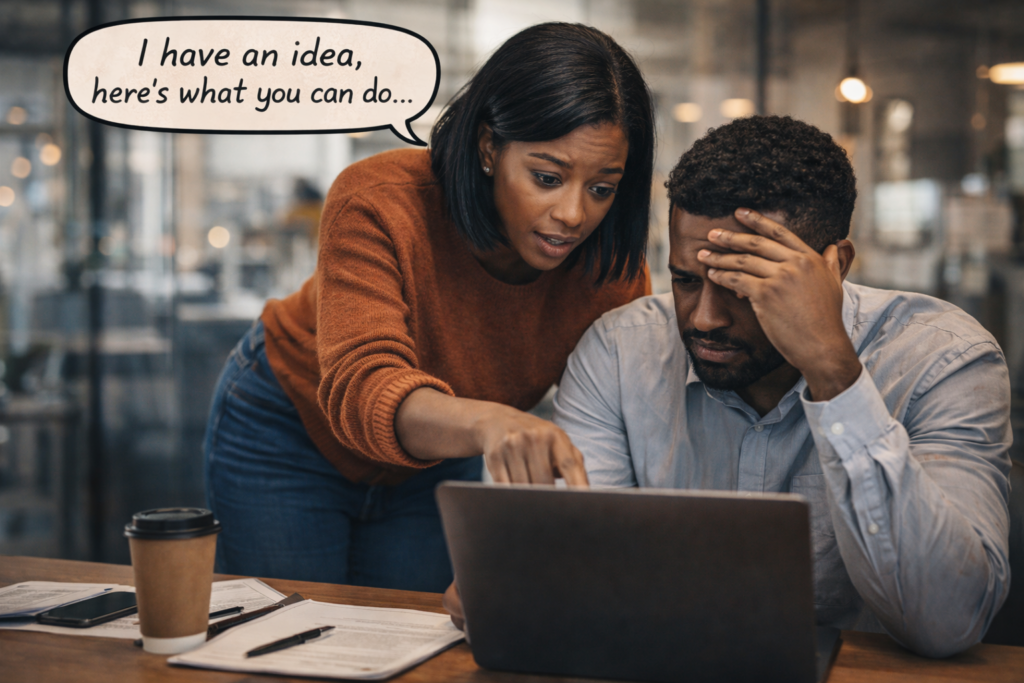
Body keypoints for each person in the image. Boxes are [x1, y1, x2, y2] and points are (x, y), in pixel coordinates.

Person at [445, 115, 1012, 657]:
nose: (705, 319)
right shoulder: (621, 351)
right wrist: (517, 583)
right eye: (687, 281)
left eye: (742, 286)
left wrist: (835, 374)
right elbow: (573, 566)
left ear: (833, 268)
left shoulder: (942, 359)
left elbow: (948, 622)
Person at [204, 23, 655, 592]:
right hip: (290, 430)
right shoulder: (379, 200)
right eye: (547, 177)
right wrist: (491, 421)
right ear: (490, 147)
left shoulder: (608, 269)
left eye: (602, 188)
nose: (573, 214)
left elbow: (623, 425)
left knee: (413, 650)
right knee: (286, 643)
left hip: (435, 460)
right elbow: (364, 386)